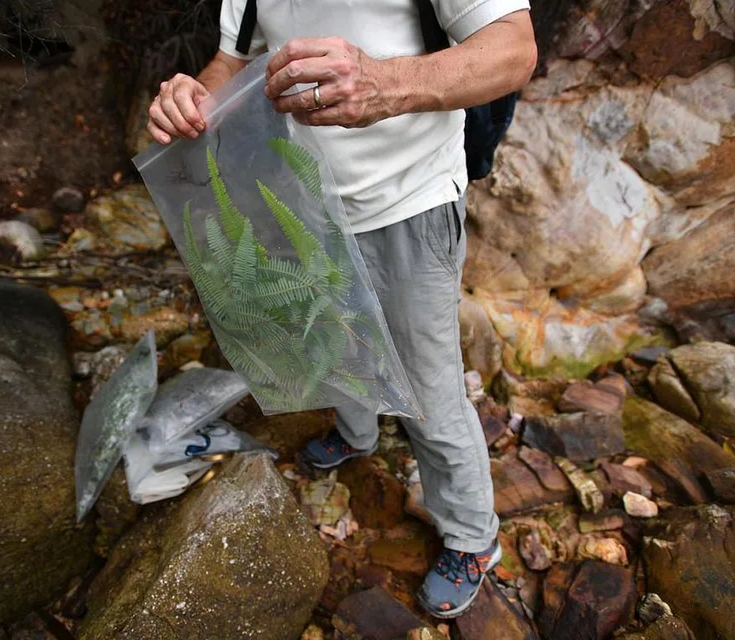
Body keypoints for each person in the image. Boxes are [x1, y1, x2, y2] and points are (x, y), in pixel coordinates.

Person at [147, 0, 537, 620]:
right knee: (332, 340)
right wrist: (194, 98)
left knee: (431, 393)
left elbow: (514, 49)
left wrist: (388, 83)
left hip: (409, 198)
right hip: (301, 200)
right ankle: (357, 434)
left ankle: (471, 536)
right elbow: (231, 59)